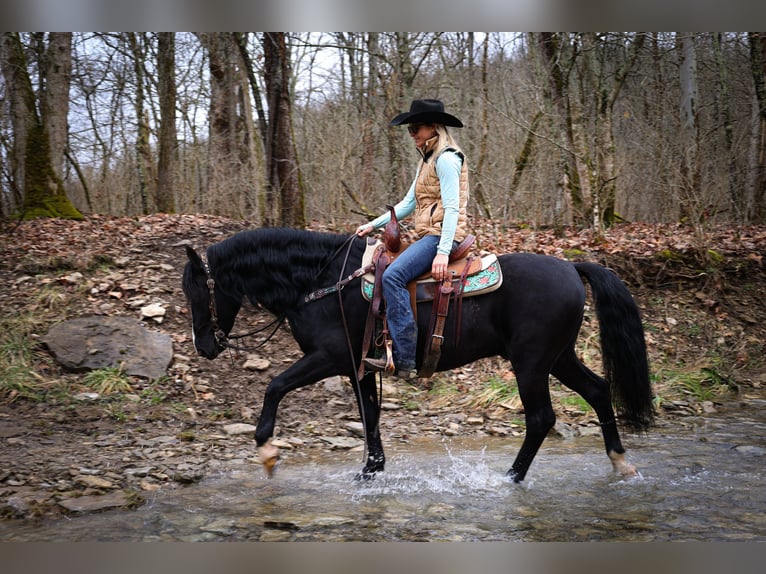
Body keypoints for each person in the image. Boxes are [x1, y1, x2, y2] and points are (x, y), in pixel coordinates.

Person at [356, 99, 470, 379]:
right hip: (430, 235)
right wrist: (371, 225)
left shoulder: (446, 159)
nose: (412, 134)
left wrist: (443, 251)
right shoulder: (427, 160)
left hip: (442, 236)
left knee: (393, 277)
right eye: (409, 130)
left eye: (416, 128)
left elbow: (453, 208)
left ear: (434, 126)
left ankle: (405, 358)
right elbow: (407, 204)